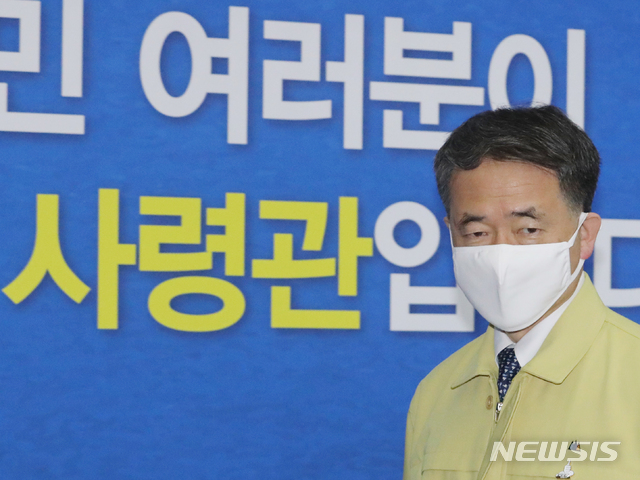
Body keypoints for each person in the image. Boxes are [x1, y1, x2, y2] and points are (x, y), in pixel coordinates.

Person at [403, 105, 640, 480]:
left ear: (584, 236)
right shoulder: (436, 392)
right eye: (477, 233)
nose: (502, 254)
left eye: (528, 229)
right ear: (451, 235)